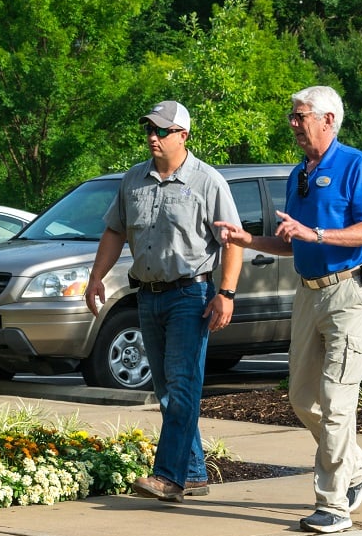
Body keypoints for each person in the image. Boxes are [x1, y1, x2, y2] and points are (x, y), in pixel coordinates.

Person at [216, 86, 362, 533]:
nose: (293, 122)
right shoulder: (299, 174)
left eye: (300, 115)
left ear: (329, 119)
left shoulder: (356, 165)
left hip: (349, 293)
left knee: (335, 399)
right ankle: (360, 466)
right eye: (292, 115)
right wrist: (245, 239)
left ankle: (333, 504)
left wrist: (319, 235)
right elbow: (290, 242)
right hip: (307, 294)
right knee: (301, 397)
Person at [86, 100, 244, 503]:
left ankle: (168, 476)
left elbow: (232, 244)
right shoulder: (134, 180)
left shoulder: (208, 182)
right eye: (149, 130)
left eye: (162, 130)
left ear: (183, 135)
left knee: (183, 385)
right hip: (148, 295)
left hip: (192, 295)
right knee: (169, 392)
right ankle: (193, 473)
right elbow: (114, 232)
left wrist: (225, 294)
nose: (153, 137)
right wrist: (95, 278)